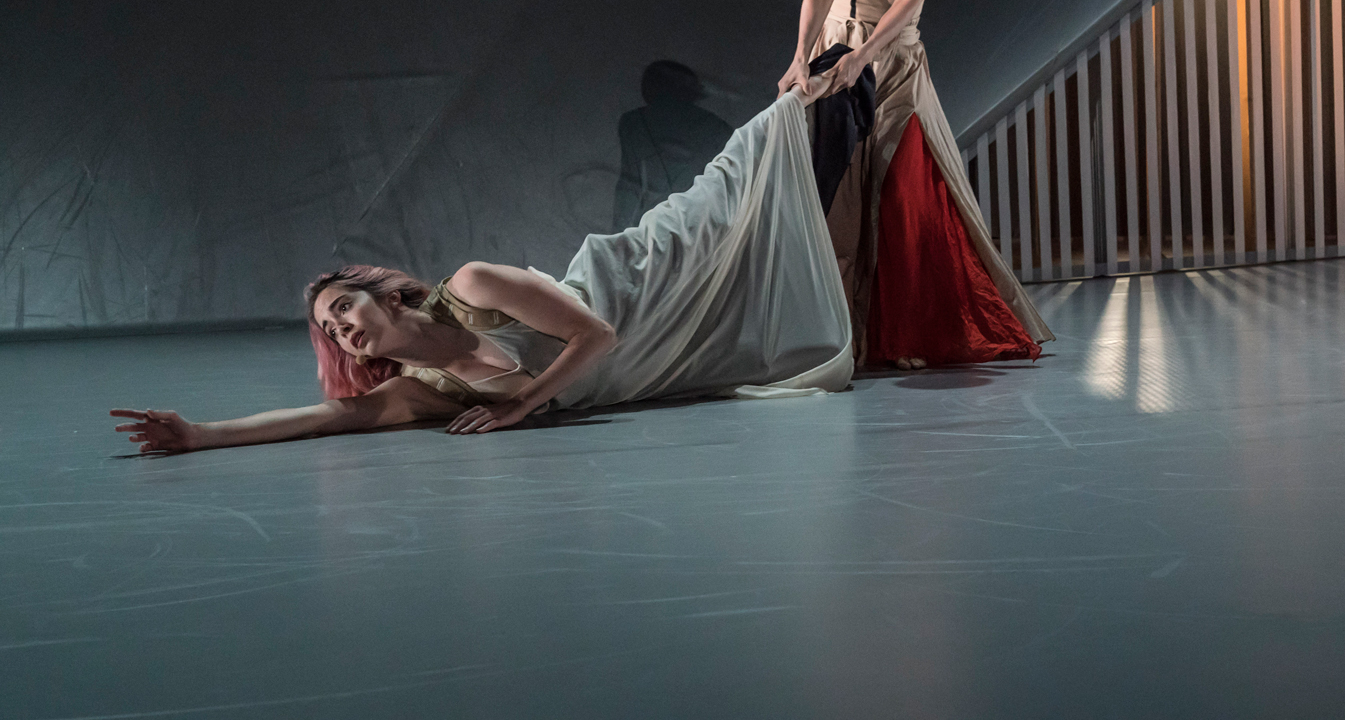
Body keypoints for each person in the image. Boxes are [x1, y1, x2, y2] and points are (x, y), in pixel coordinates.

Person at [112, 87, 853, 453]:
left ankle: (838, 89)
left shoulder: (470, 287)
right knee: (776, 328)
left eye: (341, 308)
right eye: (329, 332)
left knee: (728, 201)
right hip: (647, 363)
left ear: (384, 294)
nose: (340, 331)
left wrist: (521, 404)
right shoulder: (423, 392)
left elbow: (595, 335)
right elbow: (329, 417)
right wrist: (200, 433)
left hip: (633, 290)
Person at [775, 0, 1053, 369]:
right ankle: (842, 339)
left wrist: (864, 58)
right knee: (837, 203)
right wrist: (802, 56)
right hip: (833, 54)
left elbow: (908, 0)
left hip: (895, 61)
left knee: (906, 201)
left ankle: (905, 335)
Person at [612, 60, 733, 231]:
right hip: (698, 223)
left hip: (665, 222)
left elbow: (630, 186)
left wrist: (619, 235)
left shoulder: (634, 122)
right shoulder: (716, 126)